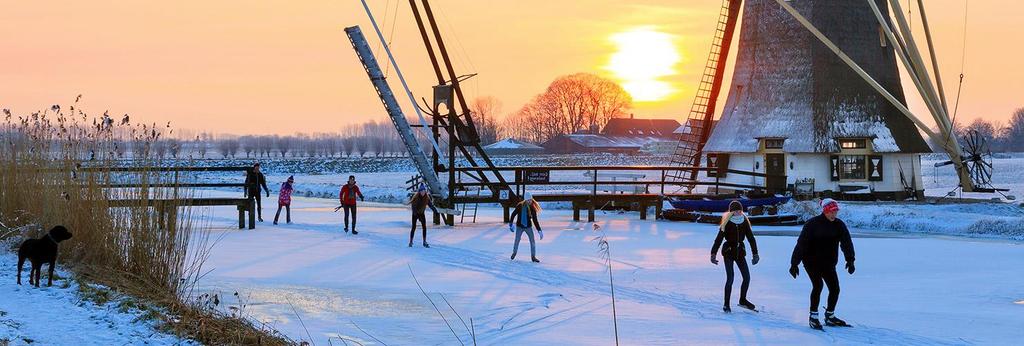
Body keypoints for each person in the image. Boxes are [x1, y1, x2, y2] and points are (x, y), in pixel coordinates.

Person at [789, 198, 856, 330]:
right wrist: (794, 263)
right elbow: (801, 244)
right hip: (811, 262)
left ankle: (829, 316)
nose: (833, 214)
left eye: (835, 211)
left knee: (835, 289)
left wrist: (850, 260)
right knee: (818, 286)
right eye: (831, 212)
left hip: (828, 263)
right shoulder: (812, 224)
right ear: (825, 211)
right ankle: (813, 317)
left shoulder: (839, 225)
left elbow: (846, 242)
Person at [711, 200, 759, 313]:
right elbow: (718, 239)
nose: (738, 212)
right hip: (728, 252)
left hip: (740, 252)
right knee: (730, 279)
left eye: (740, 210)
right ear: (731, 212)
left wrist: (755, 254)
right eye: (736, 211)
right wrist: (713, 254)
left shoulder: (744, 221)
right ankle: (726, 304)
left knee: (746, 277)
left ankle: (743, 300)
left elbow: (751, 238)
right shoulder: (727, 222)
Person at [508, 192, 543, 263]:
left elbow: (535, 220)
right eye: (528, 200)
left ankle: (533, 257)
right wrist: (511, 223)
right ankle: (514, 253)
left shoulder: (532, 208)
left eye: (530, 200)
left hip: (528, 227)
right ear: (525, 200)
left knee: (532, 241)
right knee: (517, 240)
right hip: (519, 226)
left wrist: (539, 230)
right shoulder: (520, 206)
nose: (530, 201)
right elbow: (513, 214)